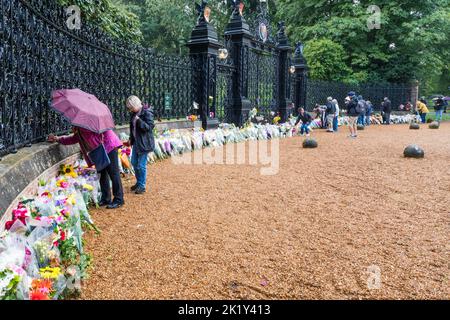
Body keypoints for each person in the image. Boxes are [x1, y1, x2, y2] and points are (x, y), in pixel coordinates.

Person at [48, 127, 124, 209]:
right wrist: (58, 139)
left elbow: (88, 139)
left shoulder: (87, 126)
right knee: (102, 173)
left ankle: (119, 199)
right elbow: (74, 138)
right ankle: (106, 198)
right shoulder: (82, 127)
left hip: (109, 146)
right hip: (100, 149)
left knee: (113, 173)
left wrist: (78, 132)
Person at [126, 95, 155, 194]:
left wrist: (139, 121)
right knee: (134, 162)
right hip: (136, 142)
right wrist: (131, 138)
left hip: (144, 143)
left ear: (136, 104)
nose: (130, 110)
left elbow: (149, 127)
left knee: (141, 165)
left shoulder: (147, 112)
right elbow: (132, 128)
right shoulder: (134, 113)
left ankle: (142, 186)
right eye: (129, 108)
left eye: (131, 107)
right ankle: (139, 182)